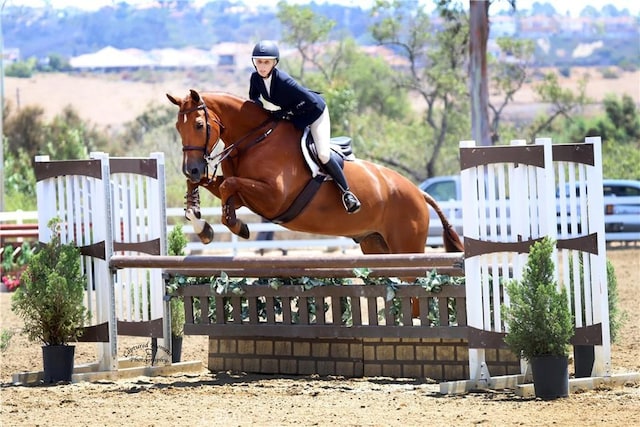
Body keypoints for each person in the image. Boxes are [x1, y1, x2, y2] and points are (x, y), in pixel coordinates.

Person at [249, 40, 361, 214]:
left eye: (267, 62)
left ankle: (347, 193)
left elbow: (309, 102)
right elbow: (254, 99)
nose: (262, 66)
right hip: (294, 116)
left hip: (314, 113)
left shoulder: (284, 81)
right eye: (259, 62)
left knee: (322, 154)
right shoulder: (256, 78)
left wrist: (285, 112)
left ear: (274, 63)